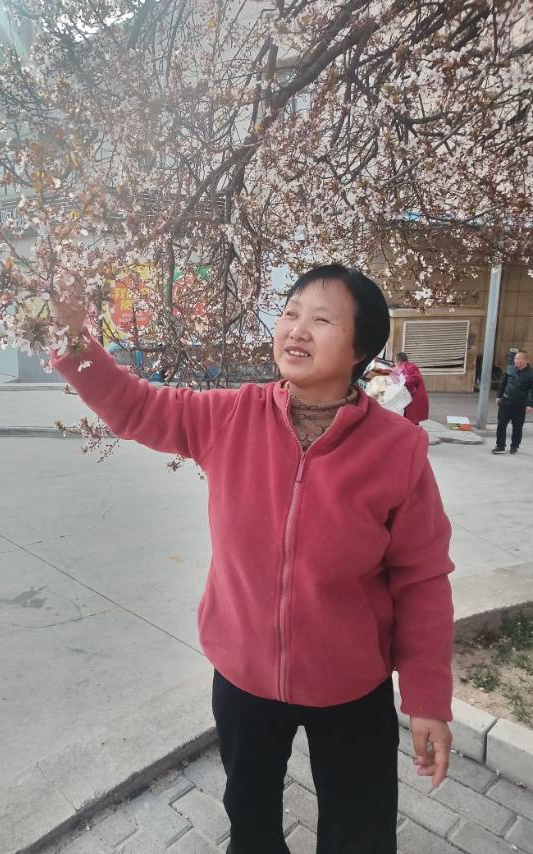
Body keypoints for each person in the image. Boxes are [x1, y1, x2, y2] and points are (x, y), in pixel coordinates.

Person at [49, 264, 454, 854]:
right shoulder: (230, 416)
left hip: (351, 685)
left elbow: (422, 579)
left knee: (360, 833)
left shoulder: (399, 450)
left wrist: (427, 699)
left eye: (322, 319)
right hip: (245, 679)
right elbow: (134, 407)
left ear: (360, 348)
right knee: (250, 820)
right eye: (290, 313)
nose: (297, 329)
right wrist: (73, 340)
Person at [492, 349, 533, 455]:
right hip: (505, 402)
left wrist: (530, 404)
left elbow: (532, 391)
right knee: (501, 424)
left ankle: (514, 445)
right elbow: (503, 383)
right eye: (515, 358)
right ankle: (500, 446)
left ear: (525, 360)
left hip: (520, 405)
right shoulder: (510, 369)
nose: (515, 360)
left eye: (518, 359)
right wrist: (499, 396)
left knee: (517, 427)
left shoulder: (530, 374)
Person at [393, 351, 429, 424]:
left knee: (411, 420)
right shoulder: (406, 367)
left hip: (414, 398)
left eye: (395, 362)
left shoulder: (410, 368)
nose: (395, 363)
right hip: (410, 398)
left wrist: (401, 383)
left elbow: (411, 380)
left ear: (399, 361)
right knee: (410, 419)